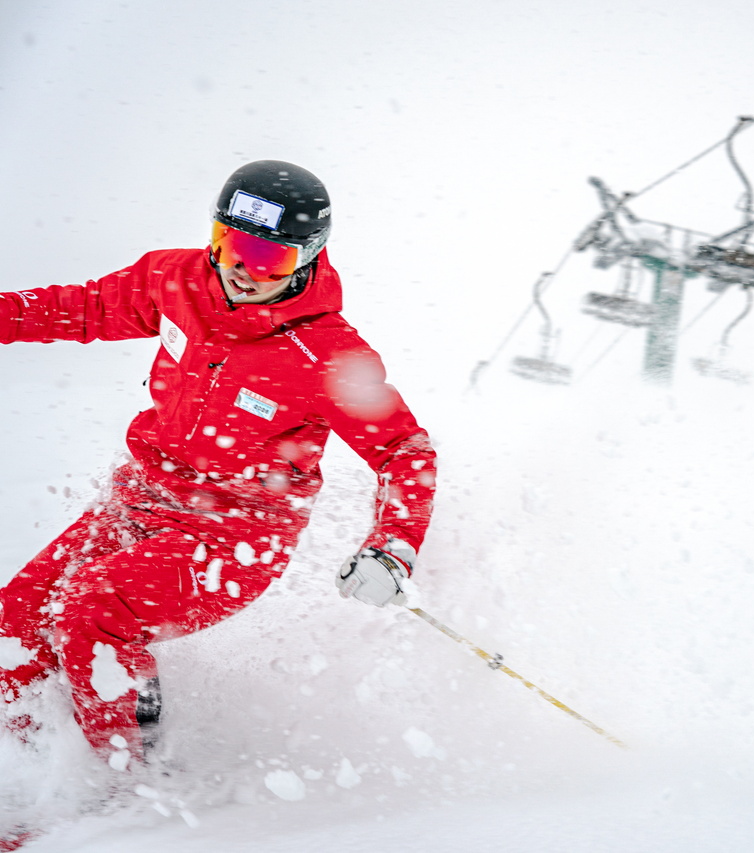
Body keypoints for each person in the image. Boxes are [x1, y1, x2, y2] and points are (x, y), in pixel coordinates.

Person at [0, 160, 436, 788]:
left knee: (92, 612)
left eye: (270, 259)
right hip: (140, 500)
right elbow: (85, 308)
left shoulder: (327, 355)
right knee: (19, 616)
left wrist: (391, 548)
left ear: (307, 259)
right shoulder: (176, 281)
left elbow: (404, 450)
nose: (242, 269)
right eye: (231, 244)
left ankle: (123, 785)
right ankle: (23, 762)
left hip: (233, 538)